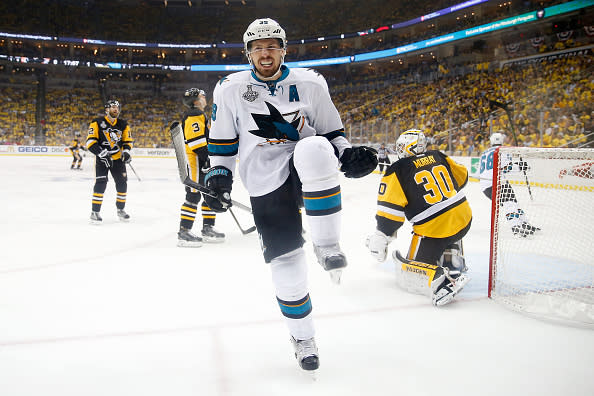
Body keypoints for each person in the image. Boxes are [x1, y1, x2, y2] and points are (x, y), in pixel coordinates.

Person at [203, 18, 377, 372]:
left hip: (306, 167)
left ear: (283, 50)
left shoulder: (310, 83)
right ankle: (303, 337)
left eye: (272, 46)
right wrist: (220, 176)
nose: (265, 53)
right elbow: (222, 144)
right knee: (287, 264)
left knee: (313, 148)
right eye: (257, 47)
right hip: (262, 177)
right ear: (248, 52)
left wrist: (347, 155)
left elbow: (330, 133)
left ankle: (327, 245)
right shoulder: (229, 88)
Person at [366, 129, 472, 306]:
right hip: (464, 218)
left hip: (433, 229)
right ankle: (453, 260)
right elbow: (463, 177)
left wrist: (382, 234)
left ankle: (443, 283)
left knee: (413, 270)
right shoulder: (439, 156)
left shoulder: (397, 170)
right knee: (451, 217)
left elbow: (390, 213)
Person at [177, 88, 225, 247]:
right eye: (202, 96)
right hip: (196, 161)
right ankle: (184, 232)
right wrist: (207, 159)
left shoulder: (200, 114)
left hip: (202, 160)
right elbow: (196, 141)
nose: (205, 98)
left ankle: (208, 228)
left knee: (209, 194)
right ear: (196, 100)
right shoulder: (194, 115)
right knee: (194, 195)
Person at [479, 132, 539, 237]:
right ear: (502, 141)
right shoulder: (503, 150)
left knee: (513, 202)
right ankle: (516, 227)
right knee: (510, 203)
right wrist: (521, 166)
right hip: (499, 182)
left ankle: (523, 223)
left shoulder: (484, 153)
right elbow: (507, 168)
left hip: (485, 186)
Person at [86, 99, 133, 224]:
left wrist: (127, 152)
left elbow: (127, 142)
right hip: (102, 159)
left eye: (117, 107)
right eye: (113, 107)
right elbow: (90, 142)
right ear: (107, 109)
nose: (115, 109)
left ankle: (121, 210)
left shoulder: (123, 124)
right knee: (101, 183)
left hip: (117, 159)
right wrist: (102, 153)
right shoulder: (97, 122)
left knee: (122, 184)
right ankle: (95, 212)